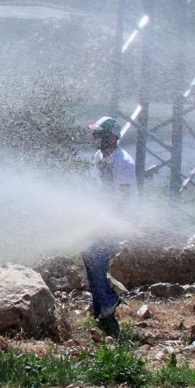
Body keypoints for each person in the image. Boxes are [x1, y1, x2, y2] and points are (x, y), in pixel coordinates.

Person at [81, 116, 138, 336]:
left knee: (91, 252)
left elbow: (123, 198)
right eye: (96, 133)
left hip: (121, 218)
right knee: (89, 254)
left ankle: (108, 302)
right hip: (105, 216)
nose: (97, 137)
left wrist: (108, 220)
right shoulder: (98, 157)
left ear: (113, 137)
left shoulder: (123, 162)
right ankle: (101, 308)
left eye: (101, 134)